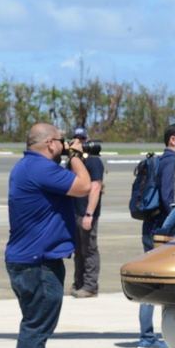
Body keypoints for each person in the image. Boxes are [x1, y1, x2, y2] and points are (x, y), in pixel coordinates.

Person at [5, 123, 91, 348]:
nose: (65, 144)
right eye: (62, 140)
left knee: (36, 322)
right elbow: (83, 186)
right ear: (50, 144)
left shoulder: (25, 167)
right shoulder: (41, 169)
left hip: (28, 259)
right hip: (38, 263)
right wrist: (77, 157)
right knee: (37, 325)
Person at [136, 124, 175, 348]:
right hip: (160, 230)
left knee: (149, 283)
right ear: (173, 140)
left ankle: (147, 336)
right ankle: (148, 337)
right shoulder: (171, 162)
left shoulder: (160, 161)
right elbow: (168, 198)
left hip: (149, 226)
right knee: (156, 285)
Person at [70, 127, 104, 298]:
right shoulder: (74, 160)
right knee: (78, 250)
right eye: (76, 139)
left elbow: (96, 187)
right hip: (75, 211)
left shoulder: (92, 161)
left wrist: (89, 214)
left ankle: (90, 285)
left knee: (89, 249)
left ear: (87, 140)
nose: (79, 142)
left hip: (86, 212)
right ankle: (79, 283)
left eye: (82, 139)